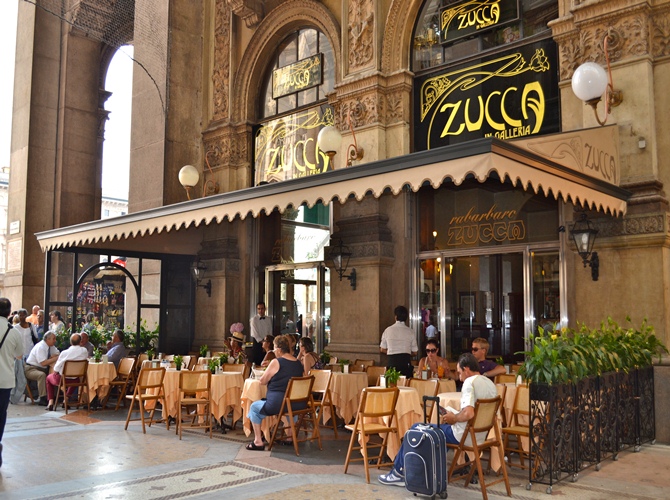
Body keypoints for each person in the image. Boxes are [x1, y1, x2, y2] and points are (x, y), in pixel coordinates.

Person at [378, 352, 497, 487]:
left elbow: (469, 413)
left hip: (464, 435)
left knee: (416, 429)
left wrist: (454, 418)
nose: (460, 378)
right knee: (438, 436)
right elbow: (478, 413)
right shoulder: (490, 384)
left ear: (466, 369)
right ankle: (428, 473)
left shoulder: (470, 382)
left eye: (459, 373)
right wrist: (455, 414)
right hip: (480, 435)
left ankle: (398, 473)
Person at [245, 335, 304, 451]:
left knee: (254, 408)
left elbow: (262, 381)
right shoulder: (298, 363)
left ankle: (258, 441)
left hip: (277, 404)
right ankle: (290, 437)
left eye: (274, 348)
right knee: (290, 403)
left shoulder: (277, 362)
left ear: (278, 349)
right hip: (297, 404)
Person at [0, 297, 24, 467]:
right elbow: (19, 355)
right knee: (1, 414)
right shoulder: (13, 331)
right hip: (4, 379)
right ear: (9, 313)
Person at [45, 333, 89, 411]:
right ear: (80, 342)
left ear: (70, 342)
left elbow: (56, 369)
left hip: (62, 379)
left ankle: (51, 402)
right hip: (75, 379)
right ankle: (66, 399)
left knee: (48, 378)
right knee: (75, 378)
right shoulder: (84, 351)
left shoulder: (64, 353)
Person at [380, 305, 418, 378]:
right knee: (406, 386)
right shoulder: (410, 332)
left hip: (392, 363)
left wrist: (391, 351)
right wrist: (406, 352)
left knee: (391, 386)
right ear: (406, 318)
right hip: (405, 364)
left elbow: (382, 349)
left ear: (396, 317)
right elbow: (415, 352)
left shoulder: (388, 330)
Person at [24, 331, 60, 406]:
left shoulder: (51, 346)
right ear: (48, 339)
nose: (55, 340)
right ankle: (42, 398)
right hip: (31, 368)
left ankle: (53, 396)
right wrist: (55, 358)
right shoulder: (41, 347)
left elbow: (58, 353)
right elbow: (43, 363)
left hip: (42, 368)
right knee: (42, 375)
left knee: (54, 374)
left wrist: (55, 356)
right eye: (53, 339)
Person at [249, 302, 272, 366]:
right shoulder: (254, 320)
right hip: (257, 344)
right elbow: (255, 334)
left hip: (267, 344)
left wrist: (267, 343)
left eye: (262, 309)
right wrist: (263, 342)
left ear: (265, 309)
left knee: (266, 362)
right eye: (259, 309)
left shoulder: (268, 319)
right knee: (257, 363)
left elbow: (270, 332)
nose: (260, 310)